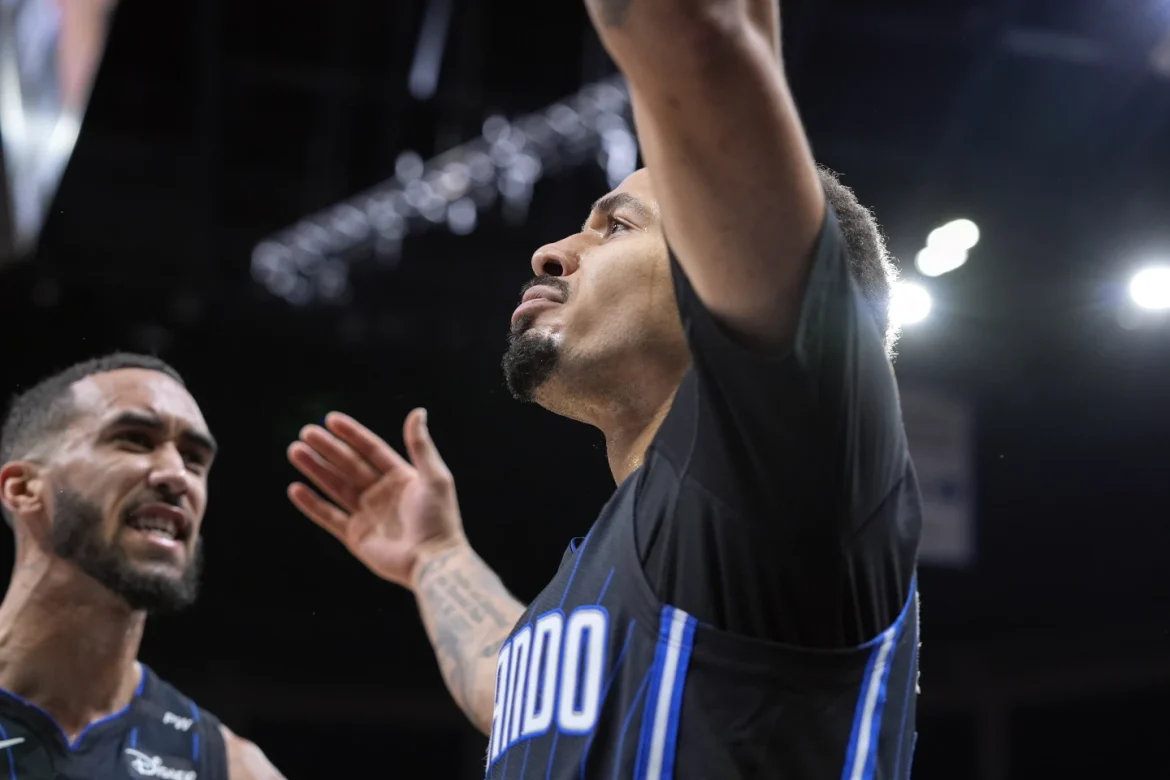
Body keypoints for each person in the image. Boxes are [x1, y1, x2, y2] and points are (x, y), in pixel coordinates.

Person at [287, 0, 921, 776]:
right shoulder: (635, 556)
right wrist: (434, 558)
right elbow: (509, 684)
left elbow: (703, 40)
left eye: (616, 226)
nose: (551, 251)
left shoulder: (786, 463)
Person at [0, 353, 285, 779]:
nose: (177, 475)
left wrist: (403, 566)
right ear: (24, 489)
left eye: (194, 458)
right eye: (134, 440)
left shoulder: (229, 767)